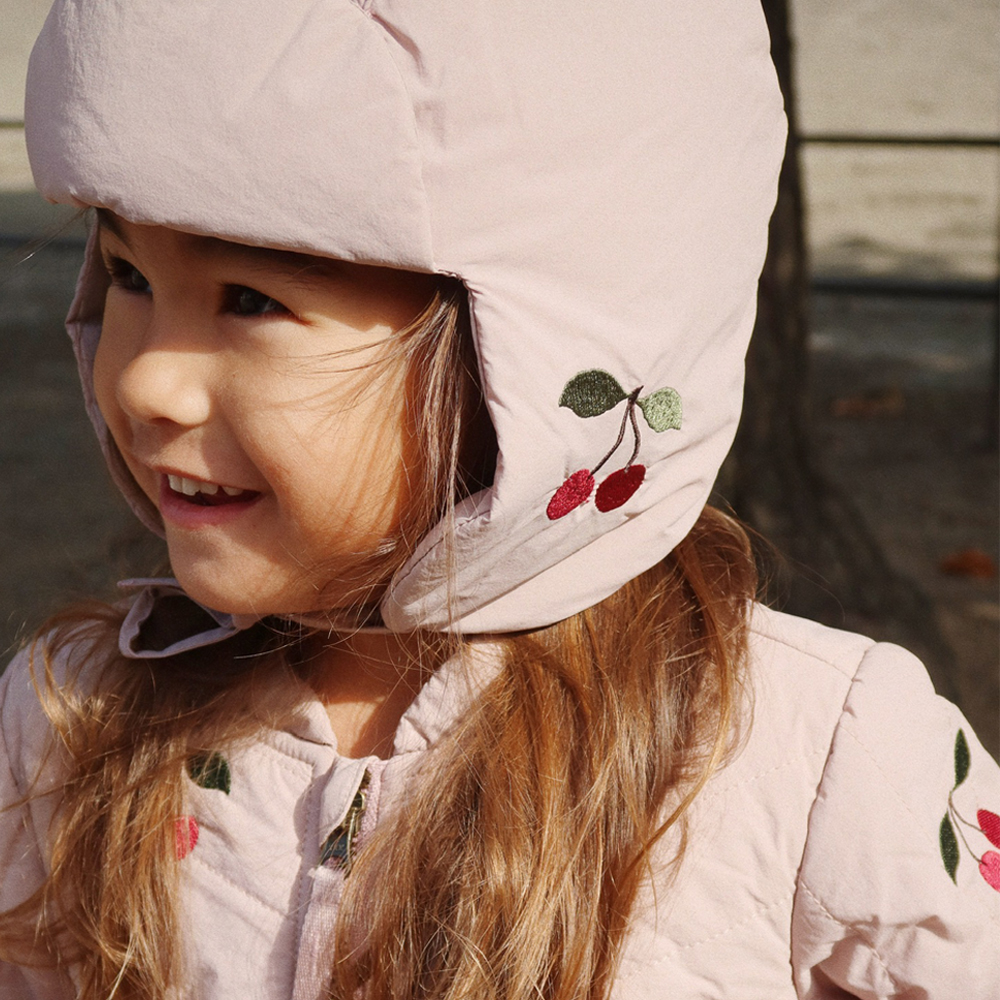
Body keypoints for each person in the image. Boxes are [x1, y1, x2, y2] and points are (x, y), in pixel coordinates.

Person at [2, 0, 997, 997]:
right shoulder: (68, 721)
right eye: (127, 274)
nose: (146, 382)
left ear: (533, 346)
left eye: (252, 301)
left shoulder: (825, 767)